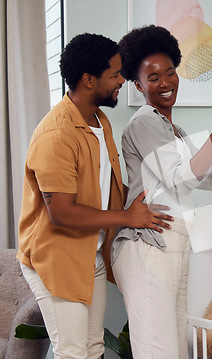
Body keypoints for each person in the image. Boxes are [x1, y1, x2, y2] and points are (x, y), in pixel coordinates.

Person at [112, 25, 212, 358]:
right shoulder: (143, 123)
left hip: (173, 244)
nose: (165, 82)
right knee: (158, 349)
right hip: (148, 248)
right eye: (153, 78)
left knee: (173, 347)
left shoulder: (173, 129)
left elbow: (205, 178)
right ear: (138, 84)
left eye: (170, 73)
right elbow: (179, 179)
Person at [16, 33, 171, 359]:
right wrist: (129, 217)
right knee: (73, 352)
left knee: (93, 348)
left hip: (91, 252)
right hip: (56, 257)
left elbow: (108, 186)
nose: (122, 80)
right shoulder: (56, 135)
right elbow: (62, 212)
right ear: (88, 80)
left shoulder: (100, 121)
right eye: (114, 74)